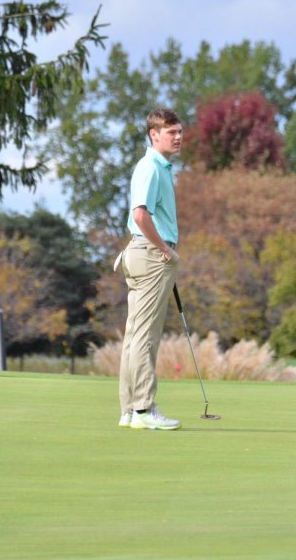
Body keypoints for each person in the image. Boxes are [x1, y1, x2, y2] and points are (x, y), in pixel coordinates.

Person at [116, 107, 183, 430]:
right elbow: (140, 215)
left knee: (134, 337)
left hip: (141, 253)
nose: (179, 137)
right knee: (145, 337)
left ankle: (130, 410)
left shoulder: (158, 167)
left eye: (180, 131)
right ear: (154, 135)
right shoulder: (151, 167)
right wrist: (165, 249)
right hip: (150, 255)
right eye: (172, 132)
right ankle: (143, 409)